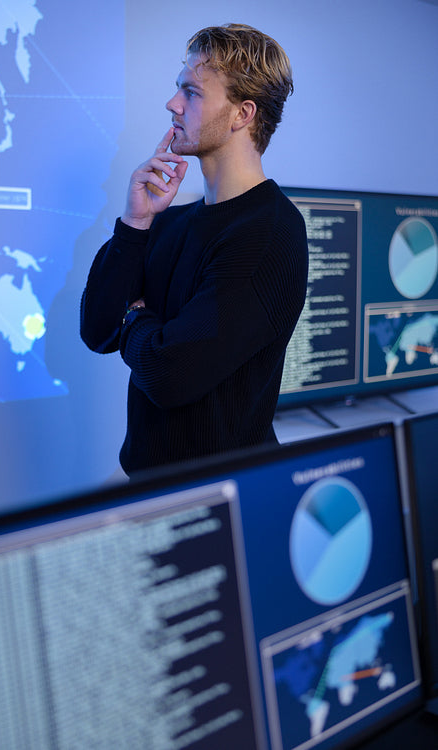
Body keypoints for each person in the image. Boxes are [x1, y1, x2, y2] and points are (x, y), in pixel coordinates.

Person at [80, 23, 308, 476]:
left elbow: (170, 374)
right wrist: (135, 224)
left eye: (192, 92)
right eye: (176, 89)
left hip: (222, 500)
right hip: (151, 486)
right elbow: (96, 329)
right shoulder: (171, 220)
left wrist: (135, 317)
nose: (172, 104)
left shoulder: (270, 233)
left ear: (243, 114)